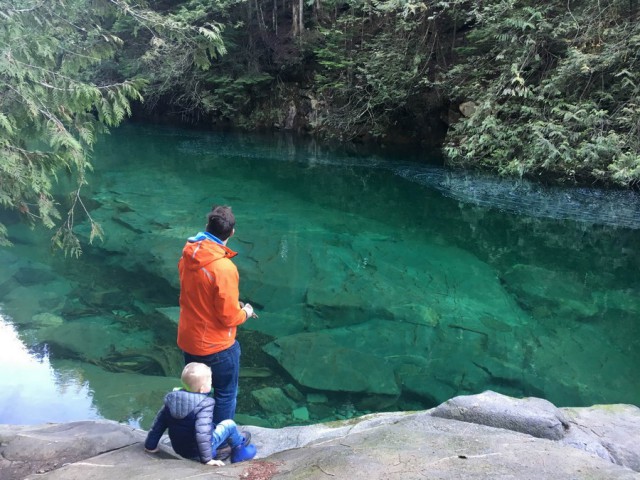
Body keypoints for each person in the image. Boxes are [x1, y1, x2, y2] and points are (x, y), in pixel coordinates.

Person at [177, 205, 257, 426]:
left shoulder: (186, 256)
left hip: (189, 340)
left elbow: (200, 294)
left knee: (195, 391)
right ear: (232, 233)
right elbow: (229, 318)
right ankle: (219, 444)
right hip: (217, 346)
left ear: (206, 226)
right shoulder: (224, 268)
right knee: (225, 394)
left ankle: (193, 434)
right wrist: (246, 312)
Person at [144, 362, 256, 465]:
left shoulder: (171, 400)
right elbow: (202, 433)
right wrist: (208, 459)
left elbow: (158, 425)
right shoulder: (205, 404)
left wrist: (150, 446)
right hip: (197, 453)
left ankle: (233, 445)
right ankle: (240, 453)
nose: (211, 384)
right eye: (210, 382)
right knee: (229, 424)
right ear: (202, 389)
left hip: (179, 449)